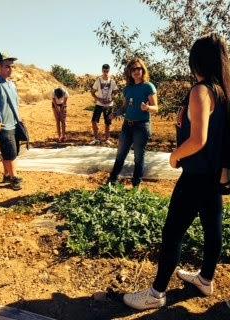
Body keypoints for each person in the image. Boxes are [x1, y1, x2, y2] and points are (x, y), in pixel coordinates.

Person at [123, 33, 230, 310]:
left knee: (172, 233)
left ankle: (156, 293)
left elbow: (198, 139)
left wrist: (174, 156)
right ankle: (206, 279)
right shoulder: (223, 90)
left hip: (195, 175)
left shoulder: (201, 91)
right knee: (212, 227)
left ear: (198, 60)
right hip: (213, 176)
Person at [108, 58, 158, 187]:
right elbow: (125, 107)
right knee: (120, 154)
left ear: (143, 70)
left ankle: (136, 185)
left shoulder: (148, 86)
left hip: (141, 126)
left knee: (138, 157)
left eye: (138, 69)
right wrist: (115, 114)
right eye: (133, 69)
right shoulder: (128, 88)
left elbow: (156, 108)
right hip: (127, 126)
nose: (136, 71)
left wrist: (147, 108)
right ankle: (112, 181)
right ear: (129, 72)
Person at [0, 52, 23, 190]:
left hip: (14, 123)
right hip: (3, 125)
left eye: (11, 66)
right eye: (6, 66)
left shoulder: (11, 83)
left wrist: (19, 119)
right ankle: (14, 178)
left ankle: (6, 175)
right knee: (11, 153)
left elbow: (14, 103)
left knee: (8, 151)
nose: (10, 69)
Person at [90, 64, 118, 145]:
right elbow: (92, 92)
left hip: (109, 105)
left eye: (107, 71)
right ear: (102, 71)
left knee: (108, 122)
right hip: (99, 104)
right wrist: (99, 99)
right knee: (94, 121)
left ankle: (107, 139)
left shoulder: (112, 81)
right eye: (104, 71)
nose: (105, 73)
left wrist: (111, 99)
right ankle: (96, 138)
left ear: (109, 71)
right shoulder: (98, 80)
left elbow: (116, 92)